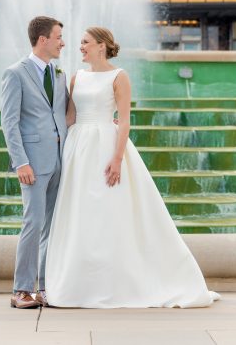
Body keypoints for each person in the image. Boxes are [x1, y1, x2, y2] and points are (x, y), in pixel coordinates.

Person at [44, 26, 219, 308]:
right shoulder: (76, 78)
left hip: (105, 146)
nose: (81, 47)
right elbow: (70, 117)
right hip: (78, 149)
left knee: (109, 212)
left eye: (85, 42)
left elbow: (124, 121)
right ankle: (81, 282)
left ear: (101, 46)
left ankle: (120, 281)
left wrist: (116, 159)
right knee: (80, 212)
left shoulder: (119, 76)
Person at [1, 16, 68, 309]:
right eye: (58, 37)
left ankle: (44, 288)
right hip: (32, 164)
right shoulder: (15, 73)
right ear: (43, 40)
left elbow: (64, 114)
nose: (62, 42)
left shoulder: (60, 73)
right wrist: (20, 163)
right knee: (33, 222)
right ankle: (21, 289)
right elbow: (10, 123)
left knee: (51, 227)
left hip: (59, 162)